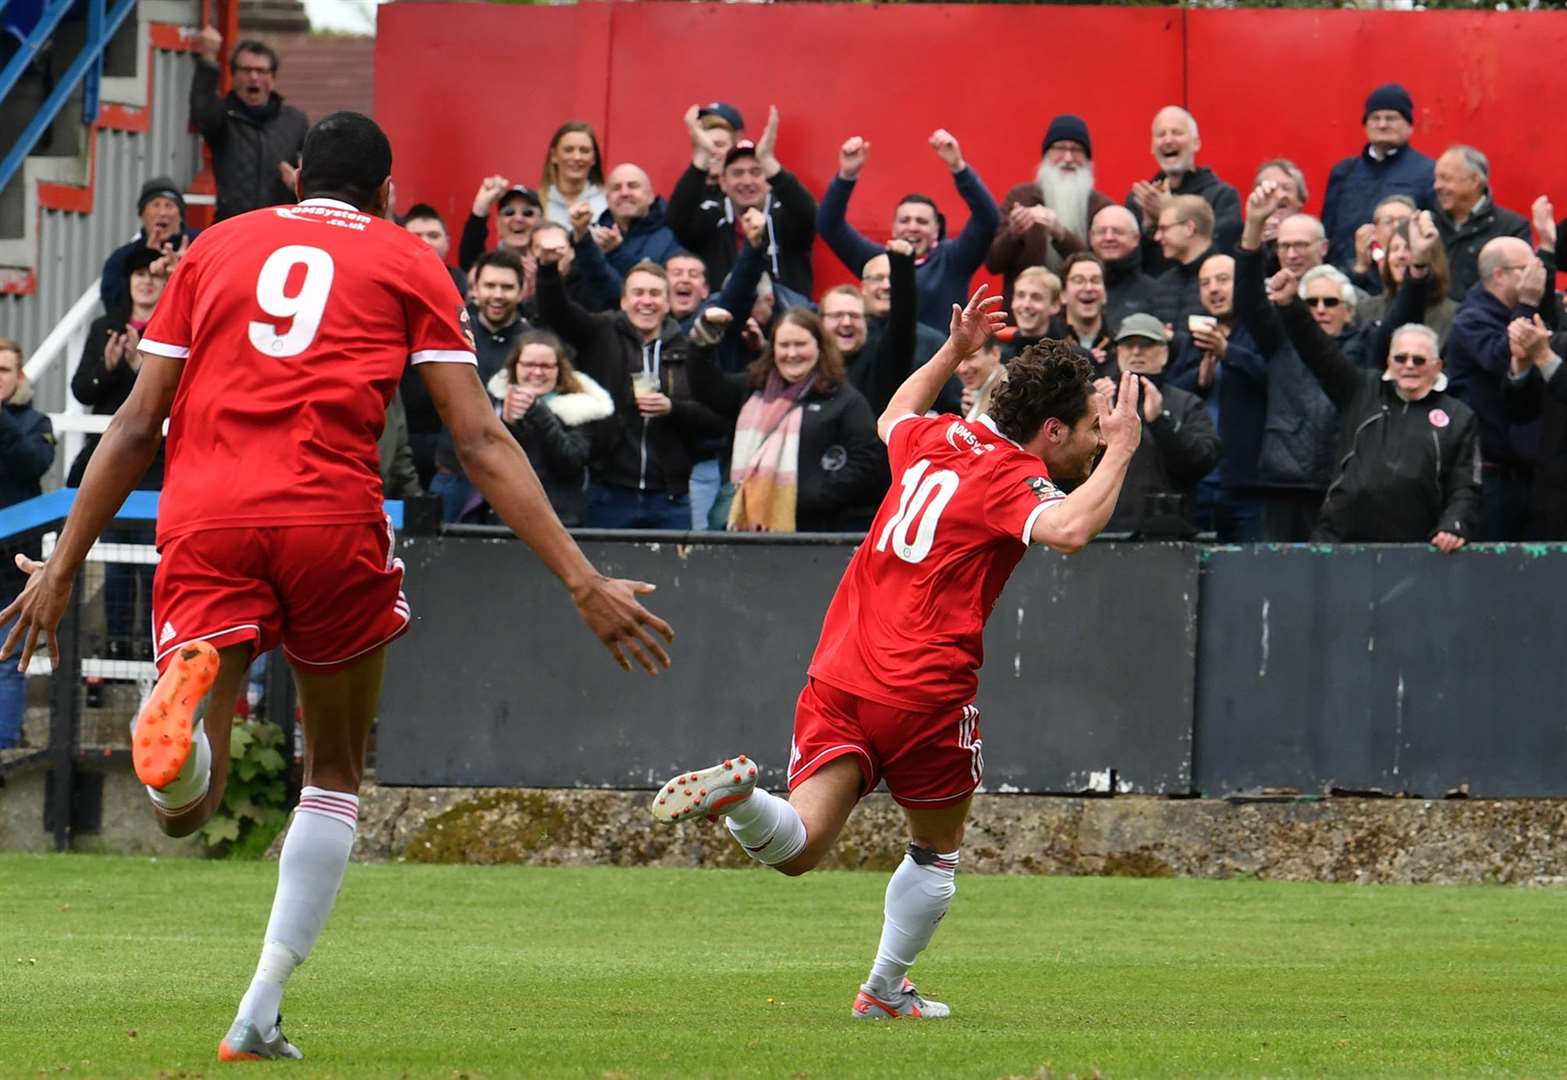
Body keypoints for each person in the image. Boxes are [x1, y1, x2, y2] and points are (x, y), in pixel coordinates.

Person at [0, 112, 672, 1062]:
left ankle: (183, 739)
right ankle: (259, 1005)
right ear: (388, 193)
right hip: (330, 516)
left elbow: (138, 419)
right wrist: (580, 579)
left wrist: (64, 567)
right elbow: (479, 439)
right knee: (336, 773)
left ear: (293, 176)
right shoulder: (408, 261)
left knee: (189, 806)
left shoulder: (214, 249)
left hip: (210, 512)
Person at [649, 287, 1142, 1021]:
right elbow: (1070, 529)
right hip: (923, 690)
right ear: (1048, 430)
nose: (1094, 440)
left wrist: (953, 348)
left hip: (840, 670)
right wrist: (1127, 447)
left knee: (799, 846)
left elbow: (892, 414)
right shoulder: (1011, 479)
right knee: (935, 849)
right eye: (1086, 430)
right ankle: (882, 991)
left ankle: (742, 799)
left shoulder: (938, 438)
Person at [1269, 269, 1478, 548]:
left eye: (1419, 359)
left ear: (1436, 366)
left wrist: (1454, 524)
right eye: (1401, 358)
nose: (1409, 365)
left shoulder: (1458, 416)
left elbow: (1465, 484)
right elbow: (1317, 349)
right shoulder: (1361, 389)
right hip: (1340, 540)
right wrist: (1289, 304)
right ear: (1388, 361)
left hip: (1417, 547)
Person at [535, 239, 728, 529]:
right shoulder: (601, 332)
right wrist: (548, 271)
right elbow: (557, 312)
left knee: (672, 574)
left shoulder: (688, 349)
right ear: (624, 301)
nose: (646, 301)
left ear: (667, 302)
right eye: (638, 293)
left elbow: (717, 418)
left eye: (654, 294)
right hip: (609, 492)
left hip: (670, 497)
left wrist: (672, 408)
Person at [686, 307, 885, 532]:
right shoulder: (752, 388)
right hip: (745, 532)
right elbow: (705, 386)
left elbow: (868, 459)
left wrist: (819, 494)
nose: (792, 354)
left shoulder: (844, 400)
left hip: (815, 533)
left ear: (820, 347)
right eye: (784, 345)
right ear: (773, 349)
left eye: (800, 345)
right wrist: (704, 338)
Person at [71, 246, 168, 662]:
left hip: (157, 465)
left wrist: (136, 366)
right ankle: (115, 649)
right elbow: (83, 390)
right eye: (138, 274)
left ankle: (149, 646)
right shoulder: (105, 328)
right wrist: (108, 367)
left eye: (153, 274)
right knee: (114, 566)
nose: (146, 281)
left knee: (151, 562)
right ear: (128, 283)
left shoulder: (173, 330)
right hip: (113, 462)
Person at [820, 129, 1000, 331]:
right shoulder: (878, 261)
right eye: (905, 220)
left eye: (921, 221)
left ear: (936, 229)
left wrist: (958, 167)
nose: (912, 228)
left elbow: (988, 219)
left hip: (943, 358)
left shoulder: (952, 259)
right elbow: (829, 225)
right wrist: (847, 175)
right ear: (894, 228)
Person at [1236, 182, 1338, 540]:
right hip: (1286, 474)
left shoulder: (1355, 313)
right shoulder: (1279, 330)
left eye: (1301, 245)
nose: (1292, 254)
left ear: (1324, 249)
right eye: (1284, 246)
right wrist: (1253, 230)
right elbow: (1247, 299)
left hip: (1343, 473)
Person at [1444, 235, 1549, 540]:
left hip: (1526, 469)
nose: (1535, 277)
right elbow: (1503, 357)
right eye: (1526, 268)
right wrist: (1528, 303)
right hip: (1490, 474)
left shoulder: (1518, 310)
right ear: (1499, 275)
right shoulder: (1471, 320)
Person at [1165, 253, 1269, 541]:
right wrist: (1199, 381)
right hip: (1200, 480)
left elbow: (1277, 380)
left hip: (1248, 480)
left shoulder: (1261, 330)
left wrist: (1229, 353)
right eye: (1205, 283)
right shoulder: (1194, 339)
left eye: (1223, 280)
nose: (1213, 289)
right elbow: (1172, 391)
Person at [668, 110, 817, 298]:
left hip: (784, 322)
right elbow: (677, 220)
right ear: (723, 182)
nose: (747, 181)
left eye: (756, 172)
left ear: (768, 178)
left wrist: (769, 162)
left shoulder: (785, 216)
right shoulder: (712, 218)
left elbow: (809, 215)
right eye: (737, 173)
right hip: (724, 322)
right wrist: (701, 158)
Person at [1098, 315, 1222, 537]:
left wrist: (1161, 421)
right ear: (1118, 352)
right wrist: (1095, 424)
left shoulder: (1186, 403)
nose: (1136, 352)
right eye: (1128, 345)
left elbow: (1205, 460)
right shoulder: (1097, 400)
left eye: (1146, 345)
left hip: (1169, 534)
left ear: (1165, 353)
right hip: (1103, 531)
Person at [486, 331, 615, 527]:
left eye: (546, 366)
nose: (537, 373)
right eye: (529, 365)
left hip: (560, 519)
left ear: (559, 369)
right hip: (506, 514)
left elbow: (570, 461)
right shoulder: (495, 400)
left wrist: (540, 413)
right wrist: (508, 424)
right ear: (515, 366)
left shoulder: (580, 406)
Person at [987, 114, 1114, 306]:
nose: (1068, 158)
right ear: (1046, 155)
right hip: (1026, 318)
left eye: (1077, 150)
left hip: (1080, 317)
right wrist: (1014, 233)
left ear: (1088, 159)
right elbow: (993, 263)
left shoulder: (1101, 207)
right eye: (1060, 148)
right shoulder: (1020, 197)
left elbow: (1105, 269)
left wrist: (1061, 234)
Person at [189, 29, 307, 222]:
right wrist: (208, 60)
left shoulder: (295, 121)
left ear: (273, 78)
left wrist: (300, 185)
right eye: (246, 70)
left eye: (261, 71)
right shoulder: (223, 115)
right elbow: (202, 114)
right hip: (233, 226)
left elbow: (318, 175)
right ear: (234, 76)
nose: (254, 77)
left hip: (279, 227)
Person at [0, 340, 54, 750]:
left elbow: (34, 465)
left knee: (7, 658)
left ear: (19, 378)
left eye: (5, 370)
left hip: (14, 557)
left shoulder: (36, 423)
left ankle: (3, 744)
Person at [1321, 84, 1436, 272]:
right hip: (1347, 280)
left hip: (1401, 279)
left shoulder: (1428, 172)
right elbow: (1327, 231)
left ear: (1409, 126)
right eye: (1375, 118)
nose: (1382, 124)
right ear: (1366, 125)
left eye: (1391, 118)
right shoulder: (1344, 172)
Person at [1126, 106, 1241, 275]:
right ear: (1152, 146)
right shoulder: (1140, 199)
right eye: (1161, 134)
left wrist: (1168, 212)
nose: (1168, 140)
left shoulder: (1222, 196)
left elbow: (1223, 252)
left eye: (1177, 133)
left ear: (1196, 143)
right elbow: (1130, 266)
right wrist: (1148, 228)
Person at [1431, 145, 1530, 300]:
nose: (1437, 186)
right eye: (1436, 179)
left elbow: (1521, 286)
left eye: (1446, 178)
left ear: (1475, 180)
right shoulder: (1429, 223)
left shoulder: (1512, 228)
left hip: (1483, 320)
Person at [101, 178, 199, 312]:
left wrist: (185, 269)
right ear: (142, 214)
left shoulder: (200, 245)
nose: (162, 213)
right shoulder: (124, 257)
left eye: (169, 205)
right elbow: (112, 302)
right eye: (155, 205)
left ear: (181, 215)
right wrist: (144, 259)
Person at [1090, 205, 1170, 335]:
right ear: (1091, 238)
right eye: (1101, 231)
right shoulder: (1075, 288)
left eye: (1118, 232)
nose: (1109, 237)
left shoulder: (1157, 292)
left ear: (1136, 238)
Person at [595, 164, 681, 274]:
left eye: (633, 186)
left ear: (650, 196)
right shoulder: (594, 238)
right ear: (607, 199)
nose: (624, 193)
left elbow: (657, 285)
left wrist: (615, 252)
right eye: (616, 188)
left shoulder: (674, 235)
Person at [1152, 195, 1218, 326]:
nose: (1157, 237)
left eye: (1164, 229)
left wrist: (1174, 339)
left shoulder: (1229, 278)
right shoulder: (1163, 284)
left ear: (1189, 228)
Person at [457, 177, 542, 273]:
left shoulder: (555, 264)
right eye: (509, 212)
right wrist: (479, 209)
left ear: (541, 221)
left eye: (527, 213)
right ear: (498, 223)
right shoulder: (487, 266)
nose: (518, 218)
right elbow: (469, 260)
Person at [538, 121, 606, 228]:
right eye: (568, 150)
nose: (577, 157)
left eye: (584, 151)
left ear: (594, 158)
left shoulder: (607, 202)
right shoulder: (538, 203)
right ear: (554, 155)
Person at [401, 202, 470, 297]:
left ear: (447, 242)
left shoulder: (462, 283)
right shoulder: (390, 281)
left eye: (434, 236)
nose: (426, 242)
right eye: (415, 237)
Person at [1000, 266, 1062, 360]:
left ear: (1055, 305)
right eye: (1020, 296)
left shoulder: (1072, 357)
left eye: (1036, 297)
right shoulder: (998, 358)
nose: (1026, 305)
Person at [957, 336, 1005, 422]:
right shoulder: (979, 393)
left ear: (995, 354)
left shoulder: (1007, 397)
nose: (962, 369)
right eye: (956, 360)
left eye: (970, 358)